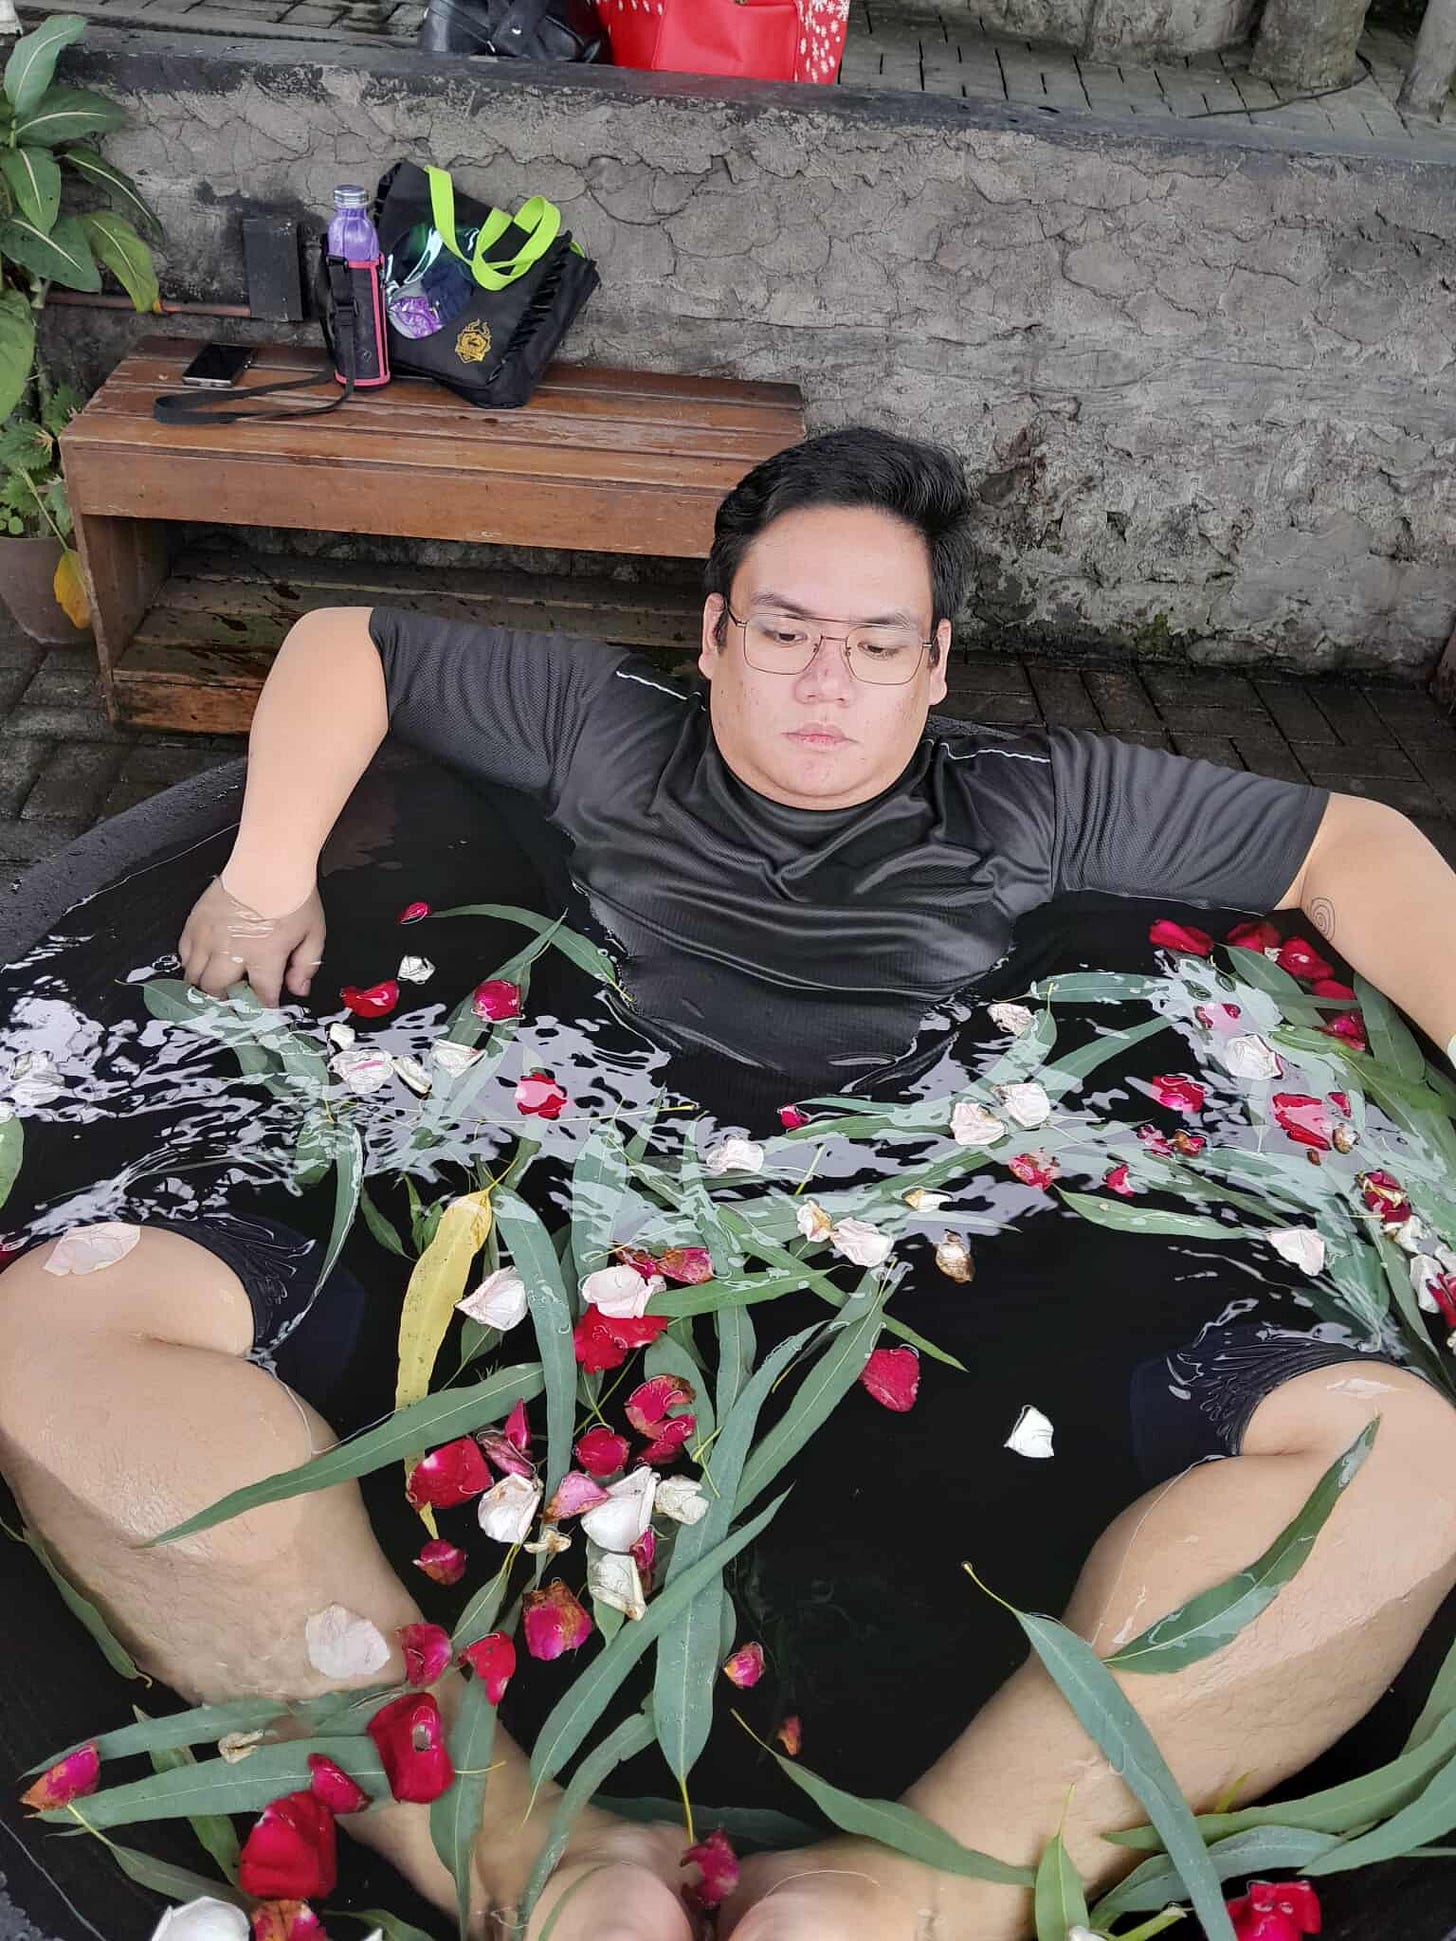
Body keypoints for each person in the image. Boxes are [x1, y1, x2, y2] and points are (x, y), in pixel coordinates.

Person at [5, 427, 1456, 1941]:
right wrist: (265, 875)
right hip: (567, 1174)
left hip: (938, 1222)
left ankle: (916, 1895)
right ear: (712, 636)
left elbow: (1351, 845)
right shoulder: (606, 730)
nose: (828, 681)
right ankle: (510, 1858)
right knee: (60, 1328)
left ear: (936, 667)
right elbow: (345, 645)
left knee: (1400, 1466)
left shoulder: (1031, 799)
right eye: (785, 631)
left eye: (878, 644)